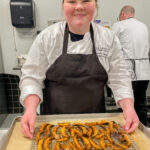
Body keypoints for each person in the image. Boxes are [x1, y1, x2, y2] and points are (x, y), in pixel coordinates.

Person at [20, 0, 139, 139]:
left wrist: (129, 108)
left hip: (96, 126)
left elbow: (120, 79)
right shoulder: (48, 37)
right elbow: (32, 78)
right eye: (71, 1)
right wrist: (30, 109)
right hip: (53, 125)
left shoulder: (108, 38)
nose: (79, 7)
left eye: (86, 1)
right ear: (63, 7)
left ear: (95, 5)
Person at [112, 5, 150, 126]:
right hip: (144, 71)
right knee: (141, 104)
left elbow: (110, 45)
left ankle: (125, 132)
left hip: (127, 71)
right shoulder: (143, 26)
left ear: (122, 14)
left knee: (125, 105)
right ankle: (144, 132)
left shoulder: (119, 25)